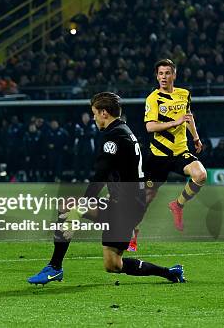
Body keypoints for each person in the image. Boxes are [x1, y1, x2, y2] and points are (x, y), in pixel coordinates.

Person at [27, 92, 185, 285]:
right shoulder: (124, 130)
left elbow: (100, 175)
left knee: (71, 208)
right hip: (127, 204)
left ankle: (54, 267)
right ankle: (170, 273)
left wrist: (86, 201)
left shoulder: (114, 136)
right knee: (113, 264)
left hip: (125, 208)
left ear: (104, 113)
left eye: (94, 113)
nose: (93, 118)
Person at [141, 59, 207, 237]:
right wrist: (175, 122)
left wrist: (196, 137)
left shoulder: (184, 94)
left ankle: (177, 205)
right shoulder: (153, 99)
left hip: (180, 152)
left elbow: (188, 116)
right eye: (160, 73)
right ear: (157, 76)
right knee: (147, 198)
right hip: (158, 156)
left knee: (200, 175)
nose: (163, 77)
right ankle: (133, 231)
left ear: (174, 75)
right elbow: (150, 127)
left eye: (167, 73)